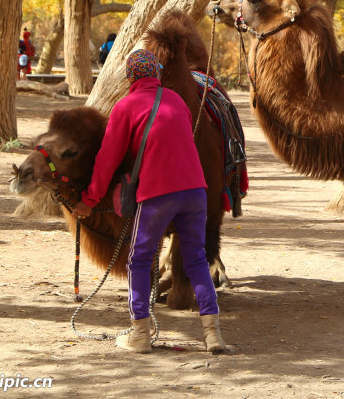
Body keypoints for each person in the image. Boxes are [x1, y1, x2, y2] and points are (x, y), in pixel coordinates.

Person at [71, 50, 227, 354]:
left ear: (130, 77)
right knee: (195, 259)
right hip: (196, 191)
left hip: (159, 193)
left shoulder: (126, 106)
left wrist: (89, 200)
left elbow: (107, 159)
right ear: (155, 73)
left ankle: (140, 334)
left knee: (139, 260)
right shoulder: (177, 101)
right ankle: (213, 335)